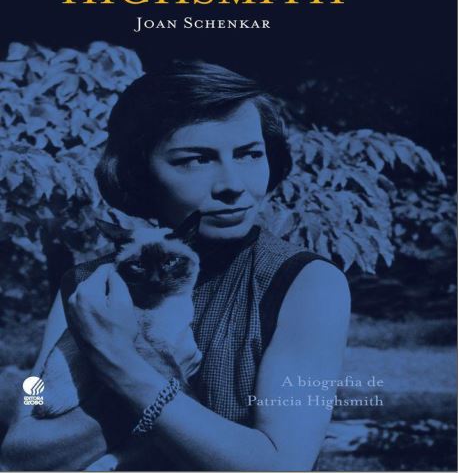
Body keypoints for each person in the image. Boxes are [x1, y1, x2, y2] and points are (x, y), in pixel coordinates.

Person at [1, 60, 351, 471]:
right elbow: (20, 456)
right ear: (140, 170)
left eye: (249, 154)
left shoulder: (305, 283)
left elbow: (282, 465)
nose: (232, 185)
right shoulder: (87, 285)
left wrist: (123, 368)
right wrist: (154, 380)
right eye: (195, 160)